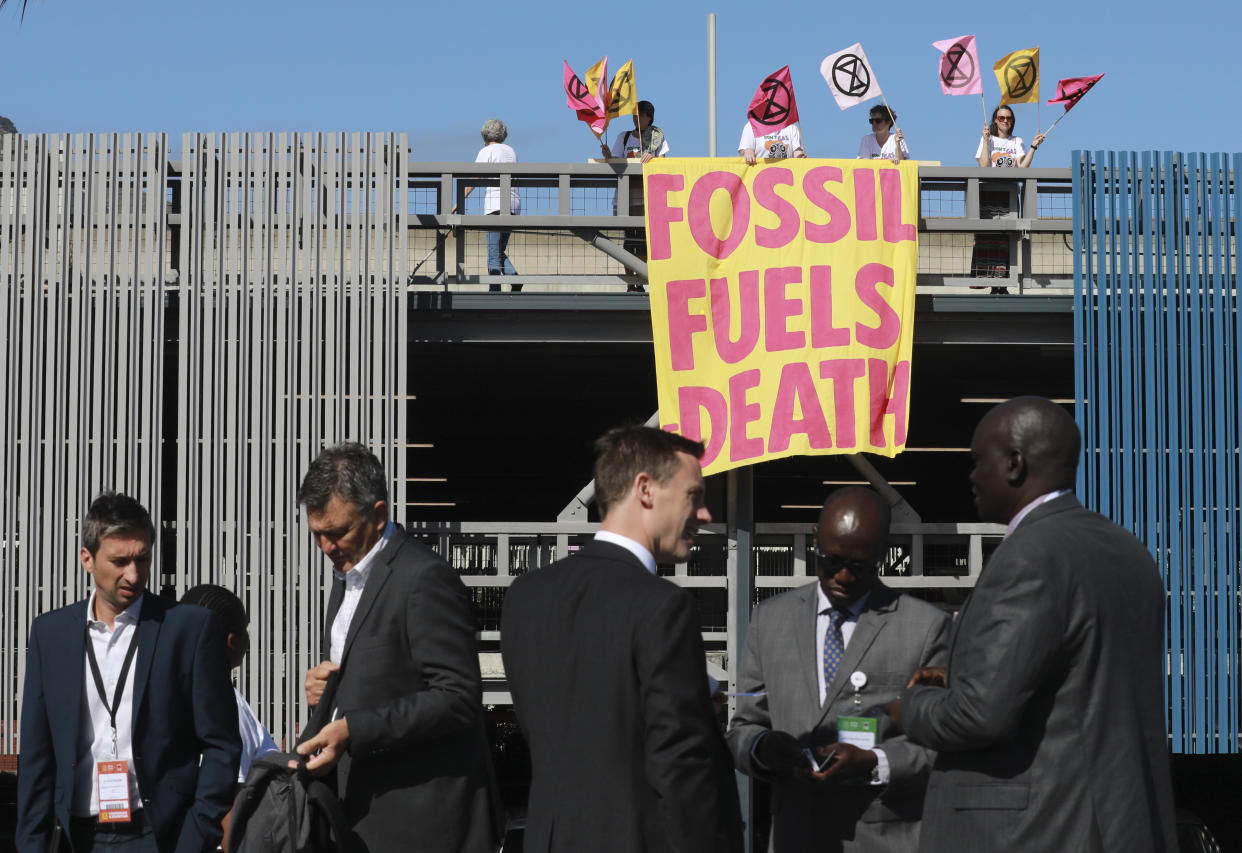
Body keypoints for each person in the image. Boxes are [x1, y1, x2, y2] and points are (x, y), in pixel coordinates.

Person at [890, 397, 1178, 851]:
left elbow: (978, 717)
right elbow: (1083, 677)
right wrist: (965, 674)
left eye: (977, 460)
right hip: (1118, 824)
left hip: (1037, 832)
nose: (970, 476)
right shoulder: (1128, 551)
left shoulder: (1028, 556)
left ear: (1013, 464)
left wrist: (910, 707)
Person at [500, 425, 744, 853]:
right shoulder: (664, 607)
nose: (704, 514)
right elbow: (679, 767)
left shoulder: (525, 596)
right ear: (645, 489)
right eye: (695, 495)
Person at [294, 442, 500, 853]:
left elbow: (458, 697)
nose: (325, 547)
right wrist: (327, 692)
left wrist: (354, 728)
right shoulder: (347, 577)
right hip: (364, 816)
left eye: (337, 532)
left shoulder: (424, 577)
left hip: (422, 823)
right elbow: (376, 675)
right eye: (316, 533)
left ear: (379, 514)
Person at [727, 487, 949, 853]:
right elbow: (743, 728)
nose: (843, 576)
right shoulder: (770, 620)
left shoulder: (925, 628)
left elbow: (942, 744)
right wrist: (762, 749)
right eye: (831, 561)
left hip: (882, 839)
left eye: (859, 566)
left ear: (882, 552)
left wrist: (874, 763)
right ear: (815, 540)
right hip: (794, 835)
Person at [16, 493, 241, 853]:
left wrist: (197, 834)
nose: (134, 575)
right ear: (86, 559)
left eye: (143, 559)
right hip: (76, 837)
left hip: (160, 837)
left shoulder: (188, 629)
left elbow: (222, 743)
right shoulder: (50, 634)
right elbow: (36, 756)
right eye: (120, 561)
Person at [472, 118, 521, 290]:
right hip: (513, 204)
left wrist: (458, 201)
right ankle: (514, 279)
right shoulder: (511, 151)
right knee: (499, 251)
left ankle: (495, 292)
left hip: (495, 204)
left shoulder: (487, 151)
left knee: (493, 253)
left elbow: (474, 177)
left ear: (485, 134)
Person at [976, 106, 1045, 168]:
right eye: (1001, 118)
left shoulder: (1017, 141)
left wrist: (1033, 146)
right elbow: (983, 167)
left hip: (1010, 182)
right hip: (990, 181)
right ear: (996, 120)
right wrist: (985, 140)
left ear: (1012, 121)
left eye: (1008, 118)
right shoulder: (988, 139)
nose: (1005, 121)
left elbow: (1022, 168)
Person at [600, 100, 669, 163]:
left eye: (640, 115)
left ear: (650, 117)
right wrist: (609, 156)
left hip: (648, 176)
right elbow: (615, 163)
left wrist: (652, 158)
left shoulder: (657, 136)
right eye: (634, 115)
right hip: (627, 176)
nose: (636, 118)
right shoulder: (623, 137)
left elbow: (662, 163)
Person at [739, 120, 806, 164]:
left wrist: (801, 157)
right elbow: (745, 149)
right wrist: (748, 151)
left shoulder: (791, 128)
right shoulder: (752, 126)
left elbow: (797, 153)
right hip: (760, 177)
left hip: (785, 177)